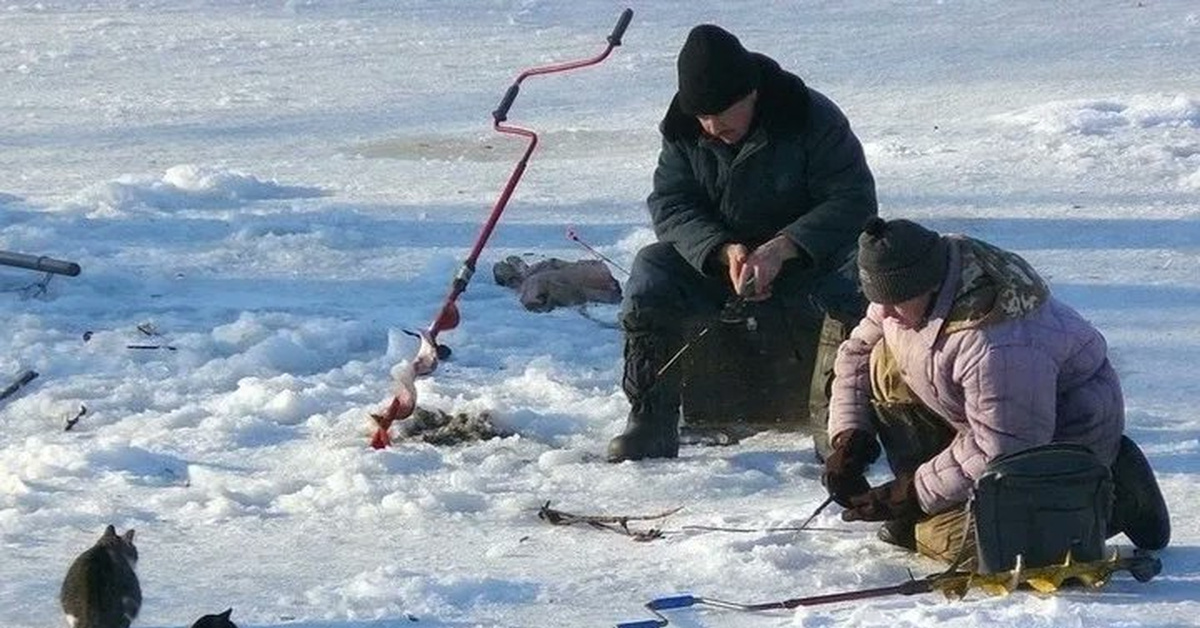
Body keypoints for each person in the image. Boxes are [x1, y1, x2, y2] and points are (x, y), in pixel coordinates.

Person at [824, 217, 1171, 566]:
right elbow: (855, 353)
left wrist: (910, 494)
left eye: (896, 300)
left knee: (954, 544)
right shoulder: (908, 286)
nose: (886, 311)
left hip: (1054, 442)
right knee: (882, 358)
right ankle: (934, 501)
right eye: (878, 298)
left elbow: (1004, 447)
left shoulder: (997, 343)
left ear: (928, 285)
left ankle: (1115, 500)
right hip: (989, 417)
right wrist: (850, 439)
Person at [607, 24, 878, 463]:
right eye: (703, 117)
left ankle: (840, 422)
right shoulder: (682, 130)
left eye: (724, 113)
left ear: (752, 92)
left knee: (859, 270)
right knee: (652, 269)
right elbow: (671, 203)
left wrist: (785, 246)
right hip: (723, 269)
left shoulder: (810, 117)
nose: (713, 128)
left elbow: (854, 201)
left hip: (809, 265)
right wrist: (720, 249)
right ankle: (650, 417)